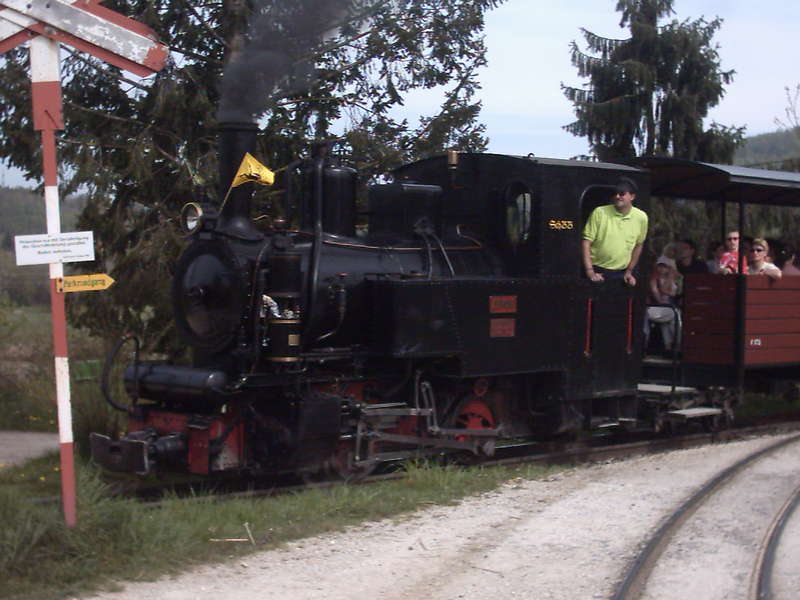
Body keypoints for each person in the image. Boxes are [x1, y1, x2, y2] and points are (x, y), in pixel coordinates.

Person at [582, 177, 648, 286]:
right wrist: (590, 272)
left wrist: (629, 271)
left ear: (632, 196)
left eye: (622, 193)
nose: (617, 196)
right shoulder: (599, 212)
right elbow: (586, 242)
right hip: (597, 271)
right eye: (615, 193)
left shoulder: (641, 217)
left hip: (621, 274)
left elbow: (639, 245)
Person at [645, 256, 680, 355]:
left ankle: (670, 347)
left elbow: (677, 294)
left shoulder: (678, 279)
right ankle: (674, 346)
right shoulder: (654, 279)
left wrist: (671, 278)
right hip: (658, 307)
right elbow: (660, 296)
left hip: (671, 307)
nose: (661, 269)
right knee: (672, 316)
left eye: (665, 266)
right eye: (659, 266)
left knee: (669, 321)